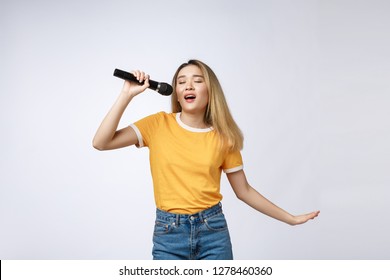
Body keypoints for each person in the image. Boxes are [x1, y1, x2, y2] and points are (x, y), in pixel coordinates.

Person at [93, 59, 320, 260]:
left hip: (213, 233)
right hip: (168, 234)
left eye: (197, 80)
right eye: (181, 82)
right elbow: (101, 142)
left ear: (211, 91)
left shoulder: (224, 139)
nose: (188, 86)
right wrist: (126, 95)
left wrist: (289, 218)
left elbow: (244, 191)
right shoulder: (157, 124)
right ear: (176, 93)